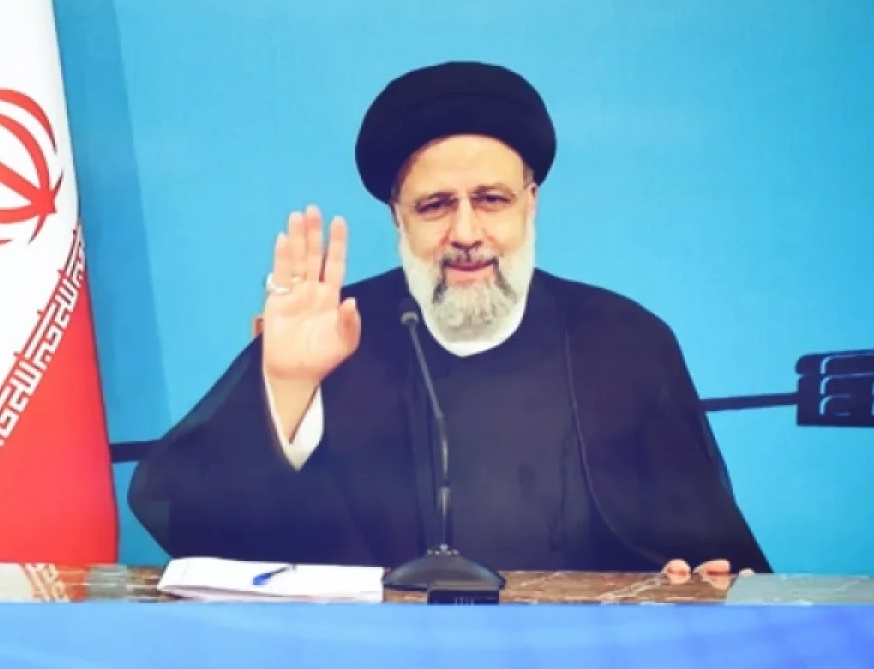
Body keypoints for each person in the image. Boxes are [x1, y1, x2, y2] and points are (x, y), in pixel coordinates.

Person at [129, 61, 772, 578]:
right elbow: (185, 517)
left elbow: (708, 560)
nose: (466, 232)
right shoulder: (331, 331)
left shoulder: (623, 341)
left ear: (530, 204)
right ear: (397, 218)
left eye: (491, 199)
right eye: (435, 205)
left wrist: (699, 577)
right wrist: (288, 388)